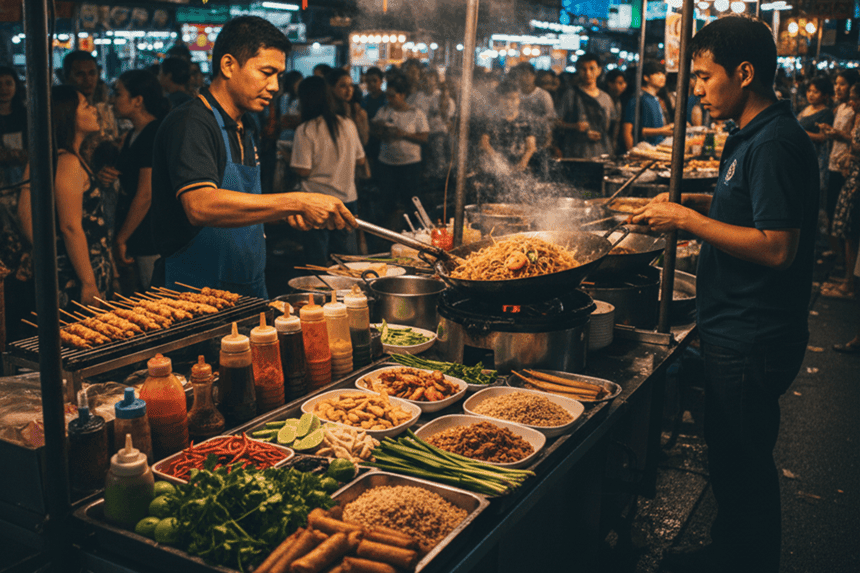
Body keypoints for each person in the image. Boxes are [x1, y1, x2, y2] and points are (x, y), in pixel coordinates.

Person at [631, 16, 819, 573]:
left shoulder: (775, 144)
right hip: (736, 326)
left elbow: (776, 246)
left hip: (753, 333)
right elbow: (744, 212)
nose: (697, 89)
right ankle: (732, 549)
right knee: (733, 456)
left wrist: (687, 218)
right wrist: (680, 206)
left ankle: (746, 561)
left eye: (705, 76)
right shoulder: (754, 136)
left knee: (743, 461)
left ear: (743, 72)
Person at [150, 16, 356, 298]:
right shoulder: (191, 123)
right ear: (228, 65)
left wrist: (285, 213)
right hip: (194, 293)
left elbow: (242, 205)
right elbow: (200, 205)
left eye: (279, 76)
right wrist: (296, 199)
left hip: (248, 287)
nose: (274, 86)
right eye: (266, 72)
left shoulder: (247, 125)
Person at [51, 85, 115, 309]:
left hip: (91, 263)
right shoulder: (67, 162)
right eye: (86, 106)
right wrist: (88, 282)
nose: (94, 110)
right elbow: (70, 227)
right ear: (68, 115)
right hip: (78, 272)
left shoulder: (73, 157)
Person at [290, 76, 366, 265]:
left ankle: (318, 295)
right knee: (347, 261)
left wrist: (286, 156)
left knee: (317, 263)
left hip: (315, 203)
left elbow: (303, 171)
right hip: (347, 199)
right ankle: (350, 295)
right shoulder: (347, 123)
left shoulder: (305, 129)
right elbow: (361, 159)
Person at [112, 69, 170, 293]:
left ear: (137, 101)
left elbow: (146, 194)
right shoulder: (134, 134)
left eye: (118, 94)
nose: (112, 100)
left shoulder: (152, 133)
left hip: (150, 234)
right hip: (141, 231)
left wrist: (121, 238)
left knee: (155, 299)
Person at [370, 74, 429, 232]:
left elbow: (424, 137)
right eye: (387, 95)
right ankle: (389, 230)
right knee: (388, 199)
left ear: (402, 95)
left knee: (411, 199)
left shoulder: (416, 113)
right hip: (387, 163)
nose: (389, 99)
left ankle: (414, 231)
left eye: (392, 95)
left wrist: (404, 134)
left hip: (410, 164)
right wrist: (381, 130)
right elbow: (373, 130)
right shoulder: (383, 111)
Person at [819, 69, 859, 273]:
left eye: (842, 84)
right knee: (831, 210)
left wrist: (837, 134)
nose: (838, 87)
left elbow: (854, 138)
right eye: (836, 83)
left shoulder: (854, 110)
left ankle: (844, 265)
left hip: (847, 168)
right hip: (833, 163)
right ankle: (839, 258)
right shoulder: (839, 108)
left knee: (843, 218)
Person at [557, 53, 615, 159]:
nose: (588, 73)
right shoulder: (571, 95)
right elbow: (556, 122)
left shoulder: (606, 98)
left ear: (599, 70)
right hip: (576, 153)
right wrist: (574, 126)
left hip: (603, 152)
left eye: (592, 69)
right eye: (583, 69)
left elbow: (612, 127)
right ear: (578, 71)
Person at [797, 76, 834, 203]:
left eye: (816, 92)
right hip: (800, 154)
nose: (811, 95)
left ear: (824, 95)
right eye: (809, 91)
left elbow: (823, 137)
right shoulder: (806, 109)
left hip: (815, 156)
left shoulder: (826, 113)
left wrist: (801, 132)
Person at [621, 60, 674, 150]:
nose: (662, 77)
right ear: (646, 77)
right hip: (644, 150)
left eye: (663, 74)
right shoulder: (637, 98)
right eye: (657, 74)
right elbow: (628, 131)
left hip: (658, 148)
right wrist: (631, 153)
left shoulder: (656, 98)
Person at [327, 68, 369, 146]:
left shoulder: (359, 112)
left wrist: (357, 122)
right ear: (331, 88)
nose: (349, 89)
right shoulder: (326, 112)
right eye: (343, 86)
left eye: (351, 85)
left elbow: (364, 141)